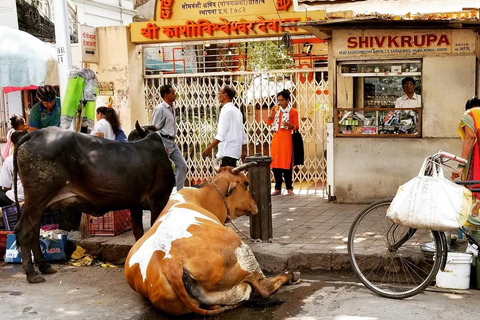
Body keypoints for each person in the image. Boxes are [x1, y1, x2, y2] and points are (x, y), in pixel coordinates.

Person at [152, 84, 187, 191]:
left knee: (182, 165)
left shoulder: (171, 107)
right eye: (172, 93)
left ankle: (179, 190)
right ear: (166, 95)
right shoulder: (160, 109)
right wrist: (161, 145)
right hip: (164, 141)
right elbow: (154, 129)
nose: (175, 95)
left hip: (172, 141)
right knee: (161, 170)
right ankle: (157, 191)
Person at [202, 85, 247, 167]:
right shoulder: (237, 111)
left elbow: (221, 135)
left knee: (226, 177)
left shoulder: (225, 111)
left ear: (225, 95)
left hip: (227, 151)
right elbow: (243, 134)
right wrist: (243, 151)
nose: (218, 96)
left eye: (219, 93)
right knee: (230, 176)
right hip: (235, 152)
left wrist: (209, 148)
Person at [451, 97, 480, 225]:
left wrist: (460, 165)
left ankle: (474, 242)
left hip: (477, 162)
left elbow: (470, 137)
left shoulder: (470, 114)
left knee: (472, 191)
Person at [266, 89, 299, 196]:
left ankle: (289, 187)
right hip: (276, 139)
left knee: (287, 164)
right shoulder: (276, 110)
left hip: (287, 139)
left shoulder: (293, 112)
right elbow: (268, 122)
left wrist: (290, 126)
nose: (279, 102)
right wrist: (271, 113)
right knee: (275, 164)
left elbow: (296, 127)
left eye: (282, 100)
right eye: (278, 100)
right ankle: (278, 188)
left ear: (288, 100)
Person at [0, 131, 26, 207]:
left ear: (13, 144)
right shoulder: (39, 157)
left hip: (18, 197)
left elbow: (5, 187)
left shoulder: (10, 160)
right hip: (38, 196)